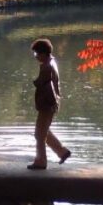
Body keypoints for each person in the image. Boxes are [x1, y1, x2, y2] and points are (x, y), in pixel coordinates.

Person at [27, 38, 71, 170]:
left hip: (47, 104)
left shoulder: (46, 66)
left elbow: (39, 82)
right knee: (43, 131)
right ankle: (62, 152)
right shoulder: (52, 62)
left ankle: (41, 161)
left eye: (36, 54)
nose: (36, 57)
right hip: (52, 103)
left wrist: (35, 82)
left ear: (44, 53)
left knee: (39, 134)